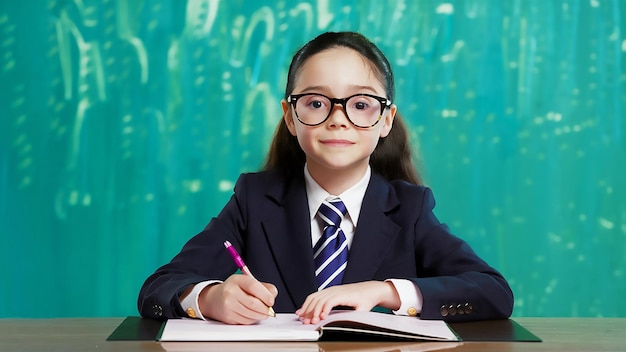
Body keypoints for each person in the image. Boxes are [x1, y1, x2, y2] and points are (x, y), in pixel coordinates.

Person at [137, 31, 514, 325]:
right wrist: (207, 298)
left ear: (385, 120)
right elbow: (158, 287)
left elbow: (494, 292)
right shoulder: (255, 199)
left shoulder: (409, 208)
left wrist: (385, 292)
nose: (338, 118)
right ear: (290, 116)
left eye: (361, 104)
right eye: (316, 102)